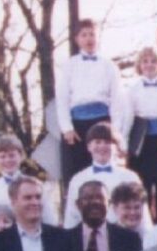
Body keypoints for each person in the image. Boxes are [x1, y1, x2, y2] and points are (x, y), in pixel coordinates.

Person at [55, 18, 128, 182]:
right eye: (84, 35)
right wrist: (67, 127)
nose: (89, 39)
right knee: (77, 172)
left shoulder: (109, 66)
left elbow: (117, 100)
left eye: (92, 35)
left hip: (102, 121)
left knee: (103, 168)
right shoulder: (69, 65)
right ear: (77, 39)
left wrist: (114, 130)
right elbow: (62, 98)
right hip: (77, 127)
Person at [121, 47, 157, 216]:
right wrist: (124, 144)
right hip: (140, 140)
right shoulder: (133, 89)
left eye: (153, 61)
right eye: (145, 61)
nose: (149, 65)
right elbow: (128, 117)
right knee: (141, 182)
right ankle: (141, 218)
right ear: (139, 65)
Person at [64, 123, 129, 228]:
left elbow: (143, 219)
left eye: (107, 142)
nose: (102, 146)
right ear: (89, 147)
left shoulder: (129, 178)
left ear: (116, 147)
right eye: (97, 142)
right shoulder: (78, 179)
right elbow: (71, 218)